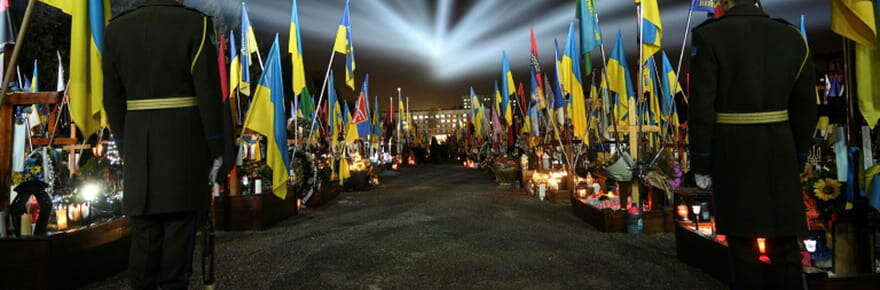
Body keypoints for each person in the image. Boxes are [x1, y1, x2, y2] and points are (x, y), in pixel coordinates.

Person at [103, 0, 233, 289]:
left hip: (138, 146)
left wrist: (127, 146)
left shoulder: (116, 30)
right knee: (177, 241)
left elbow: (112, 99)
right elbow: (209, 95)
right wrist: (216, 150)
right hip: (182, 147)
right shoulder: (195, 24)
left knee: (144, 236)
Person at [688, 0, 818, 289]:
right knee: (785, 242)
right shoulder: (792, 36)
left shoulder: (709, 36)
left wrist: (701, 160)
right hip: (780, 149)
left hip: (733, 150)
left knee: (742, 244)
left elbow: (701, 109)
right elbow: (807, 107)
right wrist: (797, 154)